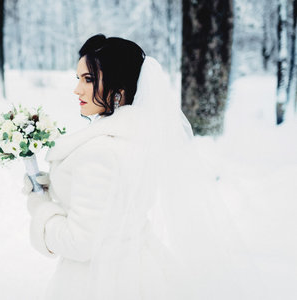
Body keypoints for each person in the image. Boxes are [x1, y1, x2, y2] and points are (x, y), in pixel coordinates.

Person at [22, 34, 269, 300]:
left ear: (119, 90)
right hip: (139, 267)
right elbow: (111, 206)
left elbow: (80, 243)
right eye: (78, 78)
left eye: (89, 79)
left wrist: (41, 206)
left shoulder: (101, 152)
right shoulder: (138, 137)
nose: (77, 89)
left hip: (100, 280)